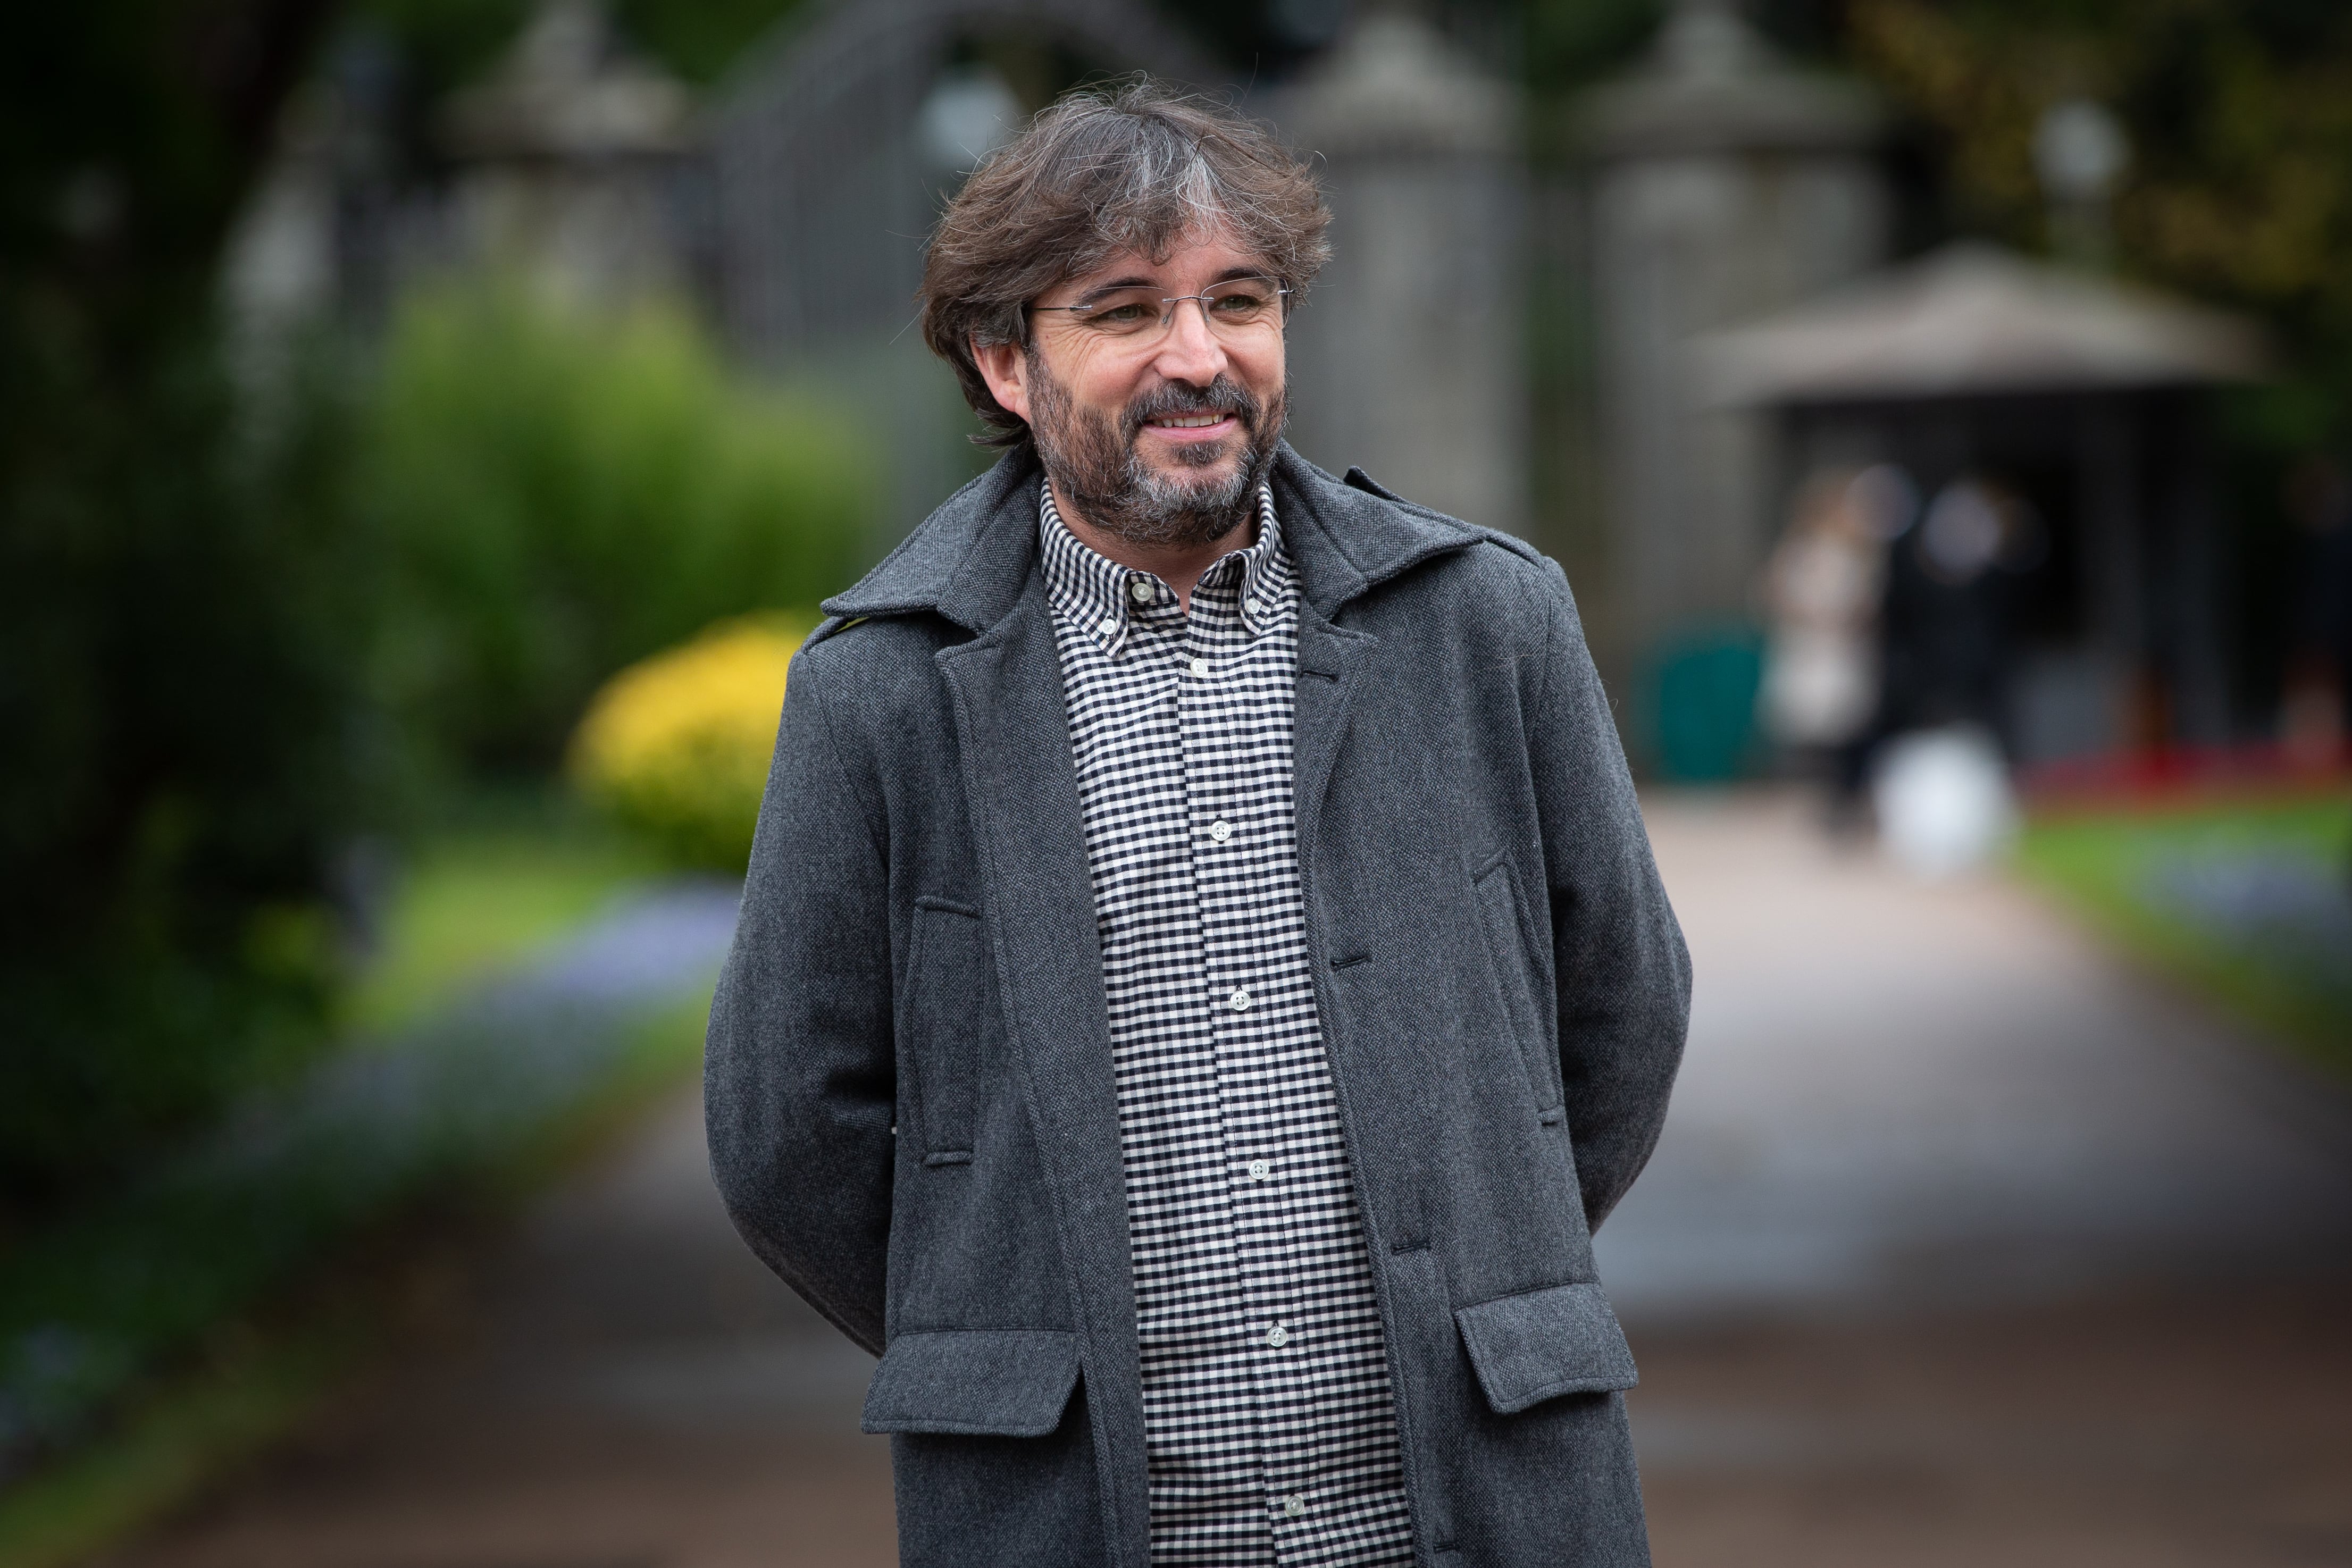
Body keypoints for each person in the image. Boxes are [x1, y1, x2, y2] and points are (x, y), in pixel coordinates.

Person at [706, 81, 1690, 1568]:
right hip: (1073, 1529)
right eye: (1124, 312)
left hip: (1486, 1513)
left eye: (1239, 300)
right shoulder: (880, 694)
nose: (1198, 357)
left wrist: (1482, 1253)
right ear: (1004, 362)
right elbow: (787, 1130)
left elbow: (1623, 1013)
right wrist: (1006, 1325)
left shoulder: (1488, 624)